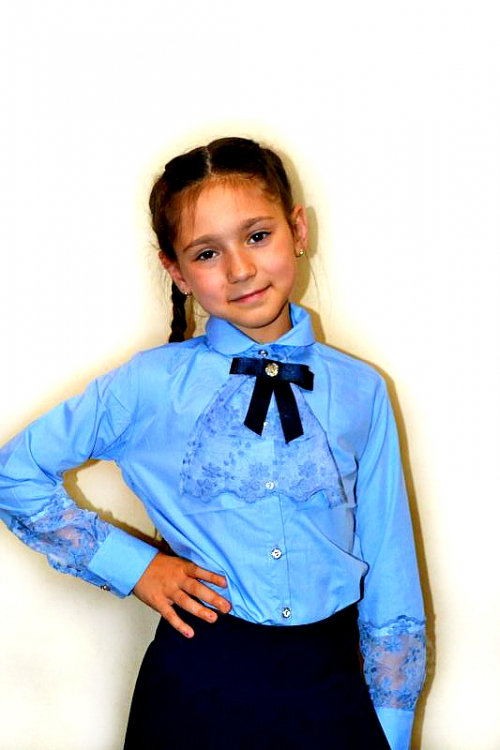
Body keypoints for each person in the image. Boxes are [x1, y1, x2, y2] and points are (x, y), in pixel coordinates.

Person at [0, 137, 426, 749]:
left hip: (332, 687)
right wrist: (137, 568)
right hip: (198, 688)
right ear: (176, 270)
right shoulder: (149, 384)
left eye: (258, 236)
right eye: (207, 252)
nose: (240, 269)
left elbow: (390, 568)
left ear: (297, 230)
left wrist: (391, 725)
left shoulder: (362, 389)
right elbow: (14, 473)